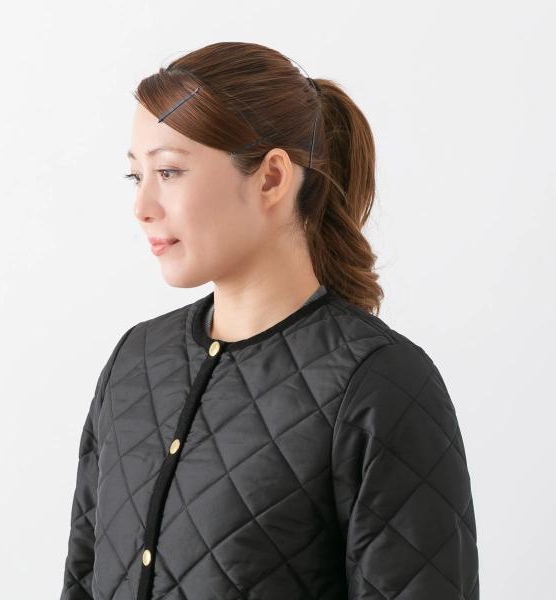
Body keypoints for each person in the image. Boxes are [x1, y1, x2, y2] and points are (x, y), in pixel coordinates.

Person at [59, 41, 479, 600]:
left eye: (169, 171)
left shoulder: (379, 384)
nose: (143, 207)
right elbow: (82, 579)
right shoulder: (135, 362)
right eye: (137, 176)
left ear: (272, 178)